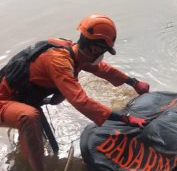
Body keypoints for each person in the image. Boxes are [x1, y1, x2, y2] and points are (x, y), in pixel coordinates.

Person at [0, 14, 150, 171]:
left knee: (34, 125)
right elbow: (81, 101)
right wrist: (125, 119)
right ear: (94, 48)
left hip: (20, 97)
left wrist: (134, 83)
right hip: (3, 101)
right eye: (103, 51)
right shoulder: (59, 61)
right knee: (29, 116)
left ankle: (24, 152)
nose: (102, 56)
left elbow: (102, 68)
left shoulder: (72, 52)